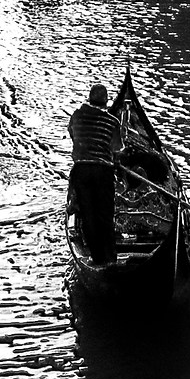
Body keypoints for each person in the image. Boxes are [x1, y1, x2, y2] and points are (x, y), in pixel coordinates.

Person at [68, 79, 117, 260]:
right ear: (106, 102)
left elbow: (72, 135)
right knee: (105, 215)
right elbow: (117, 149)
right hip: (103, 171)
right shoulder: (112, 121)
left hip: (81, 169)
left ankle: (97, 258)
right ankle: (110, 258)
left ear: (89, 100)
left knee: (88, 215)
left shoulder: (76, 116)